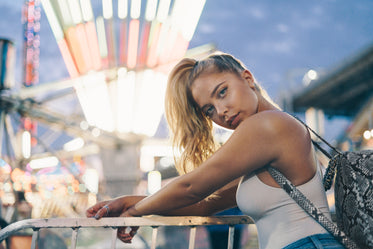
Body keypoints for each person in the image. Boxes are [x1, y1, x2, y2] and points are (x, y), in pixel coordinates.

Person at [86, 53, 344, 249]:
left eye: (222, 92)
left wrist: (135, 212)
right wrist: (132, 202)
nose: (220, 112)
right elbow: (202, 204)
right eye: (209, 109)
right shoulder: (267, 142)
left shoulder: (266, 126)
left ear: (247, 78)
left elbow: (191, 187)